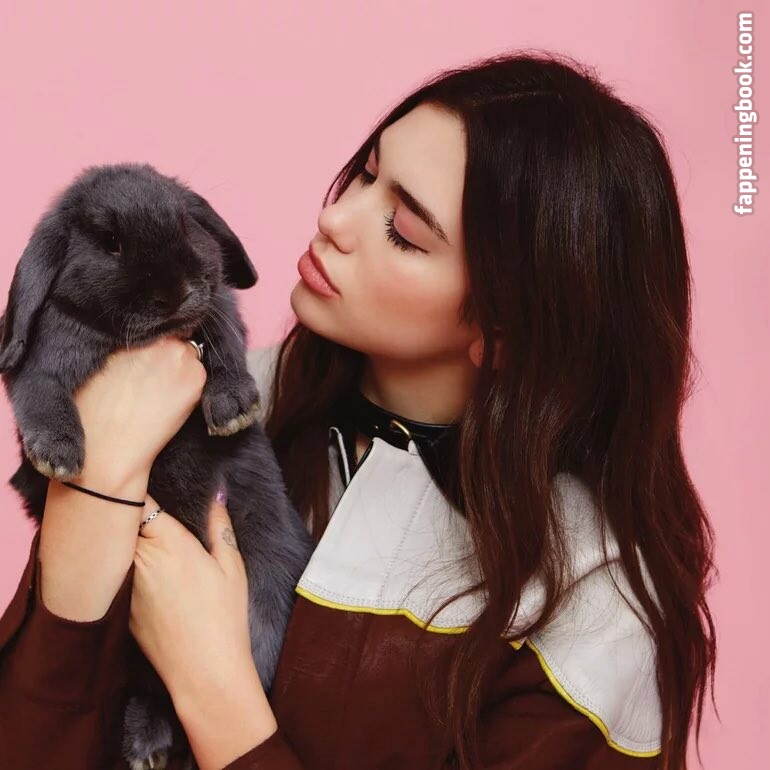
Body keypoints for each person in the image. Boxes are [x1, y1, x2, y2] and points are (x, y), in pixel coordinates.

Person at [0, 50, 716, 770]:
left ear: (505, 331)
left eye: (403, 229)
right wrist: (97, 483)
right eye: (366, 175)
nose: (334, 217)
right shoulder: (204, 403)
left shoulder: (595, 604)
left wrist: (211, 686)